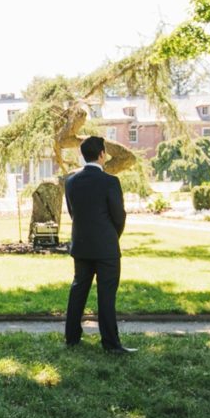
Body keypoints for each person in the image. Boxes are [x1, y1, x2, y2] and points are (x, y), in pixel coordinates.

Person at [64, 136, 136, 354]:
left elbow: (73, 212)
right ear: (102, 154)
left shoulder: (71, 181)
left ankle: (72, 338)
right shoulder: (110, 182)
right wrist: (113, 236)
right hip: (106, 247)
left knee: (78, 291)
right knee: (106, 295)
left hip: (82, 245)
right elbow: (119, 216)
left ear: (83, 155)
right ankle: (111, 343)